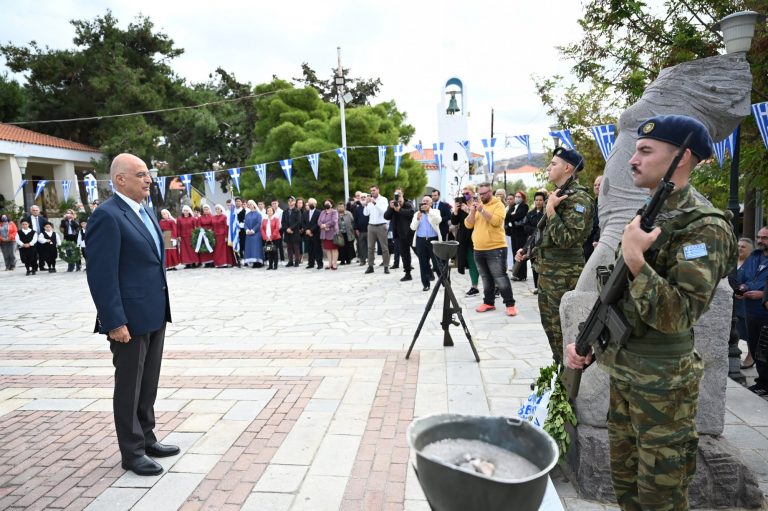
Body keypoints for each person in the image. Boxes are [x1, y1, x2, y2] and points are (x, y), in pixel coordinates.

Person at [566, 115, 737, 510]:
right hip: (626, 374)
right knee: (626, 490)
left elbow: (679, 314)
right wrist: (591, 341)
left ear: (682, 157)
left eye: (645, 150)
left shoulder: (705, 228)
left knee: (661, 497)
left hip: (663, 387)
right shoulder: (651, 212)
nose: (633, 159)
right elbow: (619, 295)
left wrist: (635, 259)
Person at [85, 153, 176, 477]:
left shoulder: (145, 210)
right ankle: (132, 452)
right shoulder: (107, 216)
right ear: (120, 179)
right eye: (141, 174)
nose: (148, 179)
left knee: (147, 385)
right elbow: (101, 275)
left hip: (154, 312)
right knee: (129, 388)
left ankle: (147, 438)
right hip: (128, 320)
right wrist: (114, 322)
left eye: (148, 173)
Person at [521, 147, 594, 362]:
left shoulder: (579, 199)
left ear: (568, 168)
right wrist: (529, 251)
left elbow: (566, 239)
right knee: (551, 328)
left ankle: (571, 375)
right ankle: (560, 369)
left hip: (564, 276)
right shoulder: (558, 195)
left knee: (564, 330)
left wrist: (551, 210)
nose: (548, 167)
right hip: (547, 273)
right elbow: (548, 238)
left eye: (553, 164)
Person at [465, 182, 518, 316]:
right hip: (478, 248)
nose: (481, 196)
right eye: (480, 194)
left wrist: (482, 210)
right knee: (485, 278)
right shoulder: (477, 206)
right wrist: (472, 211)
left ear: (490, 192)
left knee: (500, 277)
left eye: (484, 193)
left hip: (496, 248)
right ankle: (488, 302)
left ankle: (510, 304)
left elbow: (496, 222)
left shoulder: (498, 205)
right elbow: (468, 224)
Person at [735, 227, 768, 395]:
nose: (760, 241)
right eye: (759, 237)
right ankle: (762, 382)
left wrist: (762, 294)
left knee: (765, 349)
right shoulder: (754, 256)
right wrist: (743, 287)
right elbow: (744, 276)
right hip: (750, 311)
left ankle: (765, 384)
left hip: (765, 311)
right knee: (755, 348)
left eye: (765, 238)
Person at [729, 237, 754, 366]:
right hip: (732, 301)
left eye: (743, 247)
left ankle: (750, 356)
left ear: (750, 250)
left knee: (748, 329)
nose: (739, 248)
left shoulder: (752, 264)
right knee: (734, 328)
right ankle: (733, 352)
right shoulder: (732, 262)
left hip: (746, 301)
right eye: (738, 246)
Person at [451, 185, 480, 296]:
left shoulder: (477, 204)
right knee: (471, 262)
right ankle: (474, 286)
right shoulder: (460, 206)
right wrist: (455, 211)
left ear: (473, 193)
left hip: (476, 235)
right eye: (463, 194)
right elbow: (454, 222)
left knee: (482, 262)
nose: (465, 195)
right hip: (464, 237)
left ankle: (495, 286)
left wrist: (468, 210)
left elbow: (478, 219)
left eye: (467, 193)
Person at [410, 196, 443, 291]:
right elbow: (412, 227)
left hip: (433, 240)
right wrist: (417, 218)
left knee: (437, 263)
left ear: (431, 203)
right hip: (421, 241)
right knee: (423, 263)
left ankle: (445, 282)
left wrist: (429, 212)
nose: (425, 203)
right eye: (423, 201)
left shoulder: (435, 211)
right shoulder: (417, 213)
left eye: (427, 201)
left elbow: (438, 220)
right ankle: (426, 284)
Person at [384, 188, 415, 281]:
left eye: (399, 194)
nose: (398, 196)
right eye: (396, 194)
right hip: (399, 235)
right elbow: (386, 216)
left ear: (403, 194)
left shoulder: (408, 203)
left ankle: (428, 270)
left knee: (419, 253)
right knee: (405, 255)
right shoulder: (393, 204)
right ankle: (408, 273)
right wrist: (391, 208)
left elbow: (411, 213)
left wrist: (400, 209)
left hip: (410, 233)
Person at [522, 191, 547, 293]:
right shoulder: (530, 214)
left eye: (540, 200)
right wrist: (535, 230)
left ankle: (544, 286)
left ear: (544, 201)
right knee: (534, 264)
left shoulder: (546, 213)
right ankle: (537, 286)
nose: (538, 202)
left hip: (544, 242)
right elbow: (525, 227)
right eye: (536, 200)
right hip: (533, 242)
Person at [364, 185, 390, 274]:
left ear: (378, 190)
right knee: (370, 248)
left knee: (384, 247)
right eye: (371, 191)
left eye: (374, 190)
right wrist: (366, 204)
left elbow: (384, 212)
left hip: (381, 225)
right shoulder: (369, 200)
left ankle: (386, 266)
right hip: (371, 226)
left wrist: (374, 203)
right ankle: (370, 266)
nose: (372, 192)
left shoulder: (383, 199)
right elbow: (366, 214)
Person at [507, 191, 529, 280]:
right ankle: (515, 273)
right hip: (513, 233)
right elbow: (507, 216)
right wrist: (512, 216)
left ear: (523, 198)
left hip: (521, 233)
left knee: (521, 253)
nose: (517, 198)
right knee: (514, 252)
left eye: (519, 196)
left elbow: (519, 216)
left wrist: (512, 216)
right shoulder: (513, 206)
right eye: (516, 196)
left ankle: (522, 275)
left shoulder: (524, 206)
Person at [22, 205, 48, 271]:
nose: (35, 212)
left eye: (36, 210)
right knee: (33, 253)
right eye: (34, 210)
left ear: (39, 211)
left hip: (40, 238)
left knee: (42, 253)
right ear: (31, 211)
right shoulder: (27, 219)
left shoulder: (42, 219)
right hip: (31, 239)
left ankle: (42, 266)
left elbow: (46, 227)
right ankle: (34, 267)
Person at [584, 175, 603, 261]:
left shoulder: (608, 204)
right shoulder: (593, 203)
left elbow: (603, 223)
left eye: (599, 184)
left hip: (597, 243)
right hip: (587, 243)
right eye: (595, 185)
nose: (596, 187)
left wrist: (597, 239)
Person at [318, 199, 340, 270]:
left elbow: (334, 221)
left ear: (331, 204)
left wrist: (325, 225)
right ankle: (330, 263)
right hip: (324, 233)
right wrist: (321, 225)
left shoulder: (334, 212)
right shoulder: (322, 212)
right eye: (325, 203)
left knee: (334, 249)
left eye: (328, 203)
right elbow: (319, 221)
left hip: (332, 233)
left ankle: (334, 263)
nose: (327, 204)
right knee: (328, 249)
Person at [303, 198, 323, 269]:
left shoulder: (319, 212)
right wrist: (307, 230)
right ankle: (311, 263)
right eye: (309, 203)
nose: (310, 204)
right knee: (310, 249)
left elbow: (318, 223)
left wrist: (311, 230)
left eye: (312, 203)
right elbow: (303, 223)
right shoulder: (305, 213)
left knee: (317, 249)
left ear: (315, 204)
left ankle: (319, 264)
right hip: (307, 234)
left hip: (316, 234)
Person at [243, 200, 264, 268]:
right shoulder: (247, 215)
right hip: (249, 234)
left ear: (254, 205)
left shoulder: (258, 214)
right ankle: (252, 261)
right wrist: (247, 230)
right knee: (250, 248)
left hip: (256, 234)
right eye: (248, 204)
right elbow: (245, 224)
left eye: (250, 204)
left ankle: (258, 262)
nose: (249, 205)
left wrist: (253, 230)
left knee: (256, 248)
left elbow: (259, 223)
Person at [283, 196, 302, 267]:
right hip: (287, 232)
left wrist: (291, 228)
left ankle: (297, 261)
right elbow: (283, 222)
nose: (290, 202)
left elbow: (298, 221)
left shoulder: (297, 211)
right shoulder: (285, 211)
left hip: (295, 232)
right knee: (289, 247)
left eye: (292, 200)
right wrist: (287, 229)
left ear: (294, 202)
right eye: (289, 201)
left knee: (296, 247)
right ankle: (290, 261)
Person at [261, 206, 282, 270]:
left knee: (274, 252)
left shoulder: (276, 219)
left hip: (275, 238)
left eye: (270, 211)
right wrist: (265, 237)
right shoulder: (264, 220)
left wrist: (271, 237)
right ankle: (270, 265)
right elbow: (262, 229)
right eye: (268, 211)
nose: (269, 212)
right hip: (267, 239)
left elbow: (277, 228)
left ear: (273, 211)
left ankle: (275, 266)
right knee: (269, 252)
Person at [353, 192, 369, 266]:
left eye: (364, 197)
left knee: (370, 246)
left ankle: (370, 260)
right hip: (360, 231)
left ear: (367, 198)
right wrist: (356, 229)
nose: (363, 198)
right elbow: (355, 220)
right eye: (361, 197)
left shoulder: (370, 207)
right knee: (361, 246)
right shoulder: (357, 209)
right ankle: (363, 260)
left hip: (369, 230)